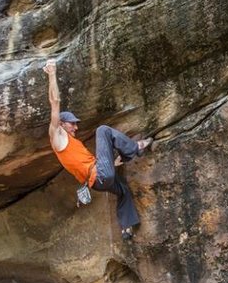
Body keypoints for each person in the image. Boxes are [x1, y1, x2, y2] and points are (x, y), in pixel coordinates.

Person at [44, 59, 152, 240]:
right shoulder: (57, 137)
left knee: (123, 190)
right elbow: (55, 102)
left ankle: (126, 228)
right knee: (102, 130)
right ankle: (136, 148)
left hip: (99, 182)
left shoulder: (73, 143)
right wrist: (52, 73)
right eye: (72, 124)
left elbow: (97, 164)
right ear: (61, 124)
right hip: (101, 175)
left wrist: (116, 161)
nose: (76, 128)